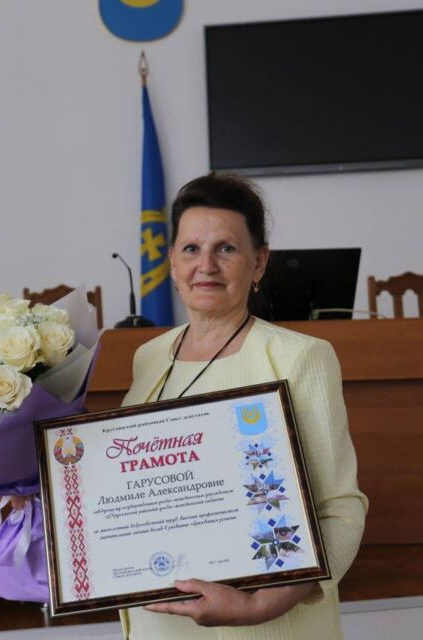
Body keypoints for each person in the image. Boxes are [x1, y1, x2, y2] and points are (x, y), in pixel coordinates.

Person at [120, 173, 368, 640]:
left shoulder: (299, 357)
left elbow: (341, 509)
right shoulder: (148, 357)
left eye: (226, 249)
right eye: (191, 248)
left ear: (259, 262)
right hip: (161, 625)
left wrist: (257, 605)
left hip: (267, 628)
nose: (206, 265)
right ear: (171, 262)